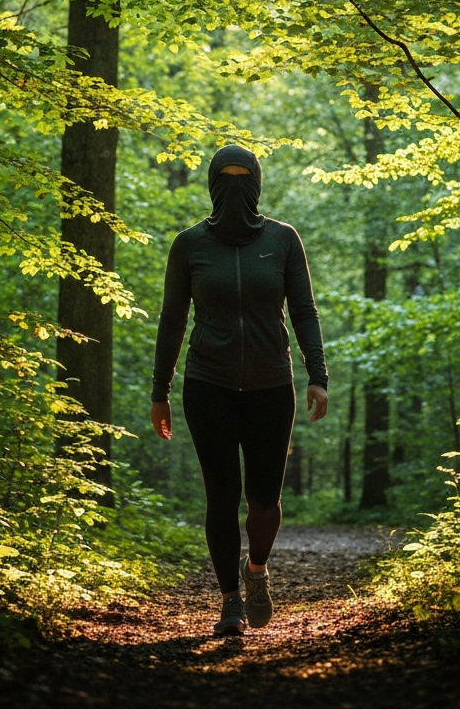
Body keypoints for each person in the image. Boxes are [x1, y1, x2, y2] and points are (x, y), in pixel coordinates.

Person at [150, 145, 329, 636]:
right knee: (221, 496)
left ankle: (257, 572)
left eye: (242, 177)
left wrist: (318, 376)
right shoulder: (189, 245)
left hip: (272, 385)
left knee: (265, 499)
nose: (234, 187)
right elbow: (171, 320)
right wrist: (159, 390)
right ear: (211, 184)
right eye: (224, 177)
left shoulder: (284, 239)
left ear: (257, 182)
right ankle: (229, 601)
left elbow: (305, 312)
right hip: (208, 385)